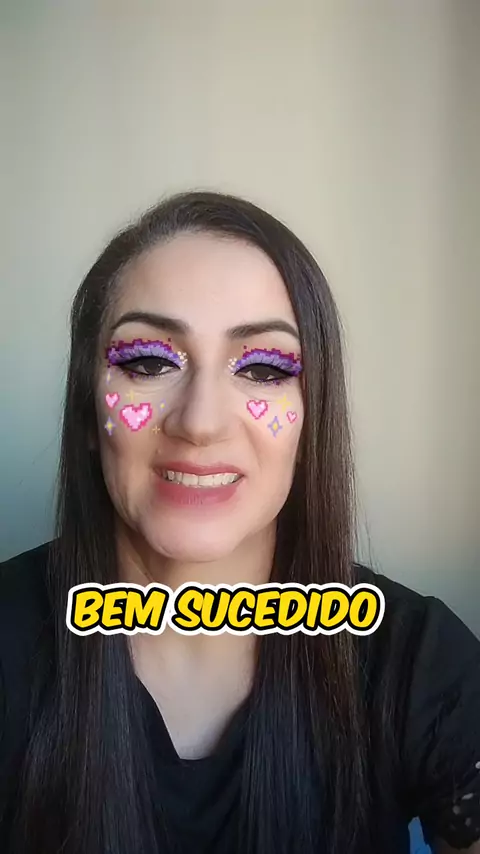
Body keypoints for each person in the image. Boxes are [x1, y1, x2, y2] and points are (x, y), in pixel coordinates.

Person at [0, 191, 479, 854]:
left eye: (262, 369)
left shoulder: (417, 658)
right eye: (148, 362)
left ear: (311, 422)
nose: (200, 423)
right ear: (87, 412)